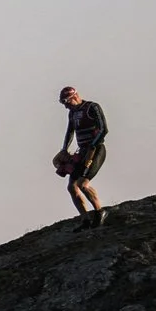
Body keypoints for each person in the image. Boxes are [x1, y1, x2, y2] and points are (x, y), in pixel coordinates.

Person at [56, 86, 109, 226]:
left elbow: (104, 129)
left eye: (66, 102)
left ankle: (99, 211)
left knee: (83, 184)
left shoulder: (92, 107)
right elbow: (70, 132)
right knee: (72, 187)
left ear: (73, 97)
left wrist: (92, 145)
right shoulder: (72, 113)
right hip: (82, 152)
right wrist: (64, 150)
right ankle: (85, 219)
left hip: (96, 150)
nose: (66, 106)